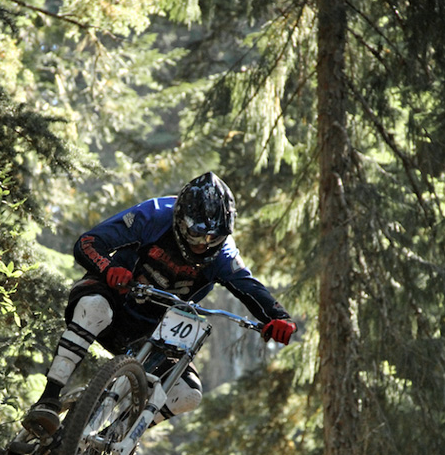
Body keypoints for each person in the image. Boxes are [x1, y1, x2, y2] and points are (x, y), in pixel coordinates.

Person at [23, 171, 297, 438]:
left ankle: (110, 439)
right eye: (197, 234)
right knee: (95, 308)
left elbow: (249, 287)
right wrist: (109, 269)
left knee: (188, 394)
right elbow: (88, 243)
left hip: (153, 330)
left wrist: (279, 317)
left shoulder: (223, 254)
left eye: (214, 238)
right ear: (180, 220)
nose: (204, 245)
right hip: (113, 298)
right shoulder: (154, 214)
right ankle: (48, 398)